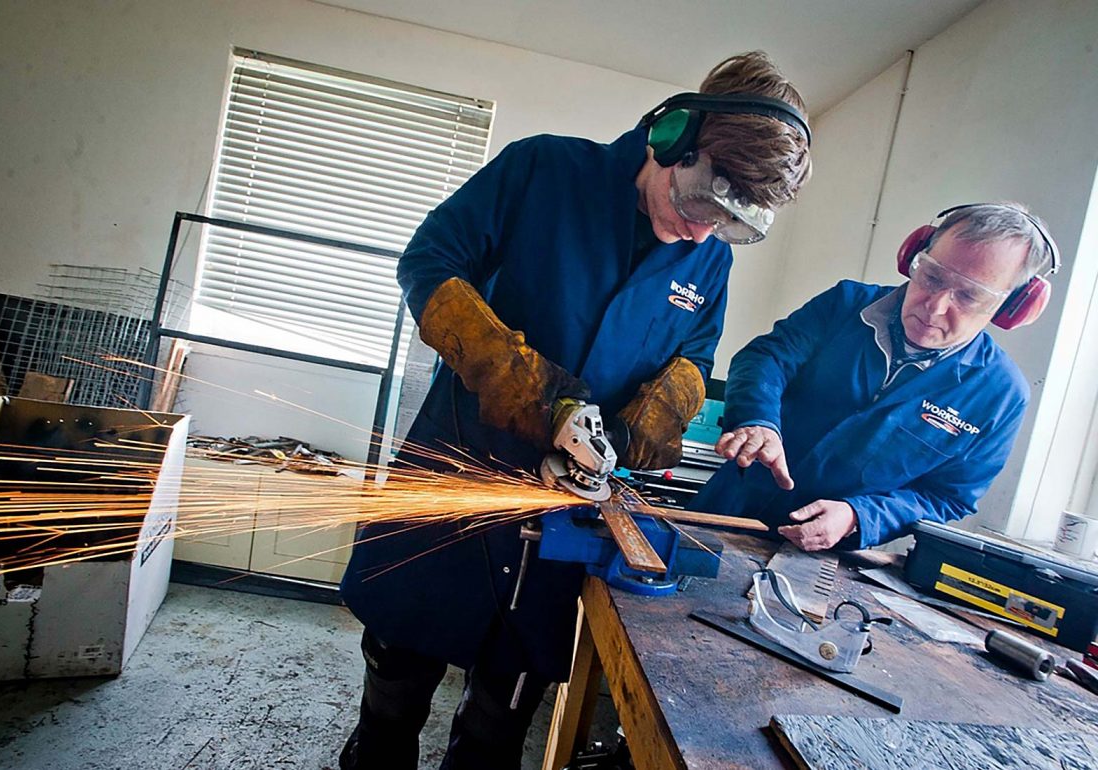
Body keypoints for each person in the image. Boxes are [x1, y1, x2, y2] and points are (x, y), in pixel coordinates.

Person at [337, 51, 811, 769]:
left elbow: (695, 357)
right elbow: (430, 262)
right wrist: (529, 388)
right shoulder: (542, 171)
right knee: (394, 695)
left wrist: (643, 419)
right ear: (673, 137)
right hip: (458, 477)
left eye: (726, 224)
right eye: (696, 205)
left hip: (565, 517)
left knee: (501, 720)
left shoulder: (709, 261)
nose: (701, 233)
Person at [689, 203, 1060, 552]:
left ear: (1012, 306)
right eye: (931, 276)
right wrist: (758, 421)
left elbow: (948, 496)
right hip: (722, 512)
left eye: (969, 296)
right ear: (913, 257)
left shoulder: (999, 396)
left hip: (826, 558)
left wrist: (858, 517)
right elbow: (766, 358)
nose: (936, 306)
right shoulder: (845, 305)